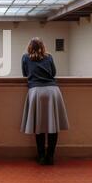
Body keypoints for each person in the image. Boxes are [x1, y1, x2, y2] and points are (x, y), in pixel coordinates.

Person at [21, 37, 69, 165]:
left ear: (30, 47)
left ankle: (41, 156)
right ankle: (51, 156)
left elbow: (25, 74)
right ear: (43, 46)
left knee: (39, 126)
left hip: (36, 91)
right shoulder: (49, 57)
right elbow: (53, 73)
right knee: (53, 126)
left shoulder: (25, 58)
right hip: (52, 91)